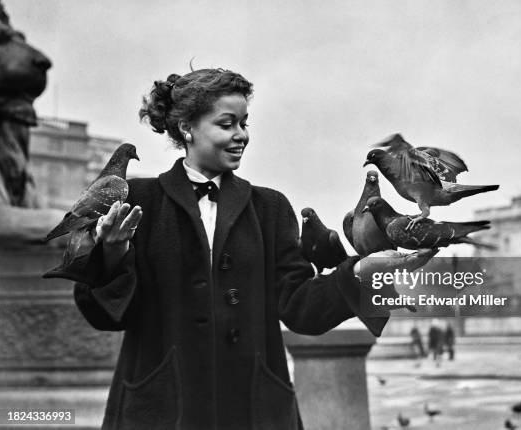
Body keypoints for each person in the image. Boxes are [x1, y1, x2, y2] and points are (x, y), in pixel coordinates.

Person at [53, 68, 435, 430]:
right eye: (226, 124)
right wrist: (113, 253)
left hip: (255, 408)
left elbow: (300, 308)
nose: (241, 135)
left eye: (244, 123)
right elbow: (105, 316)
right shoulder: (138, 201)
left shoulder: (270, 208)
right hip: (161, 407)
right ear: (187, 128)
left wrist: (361, 272)